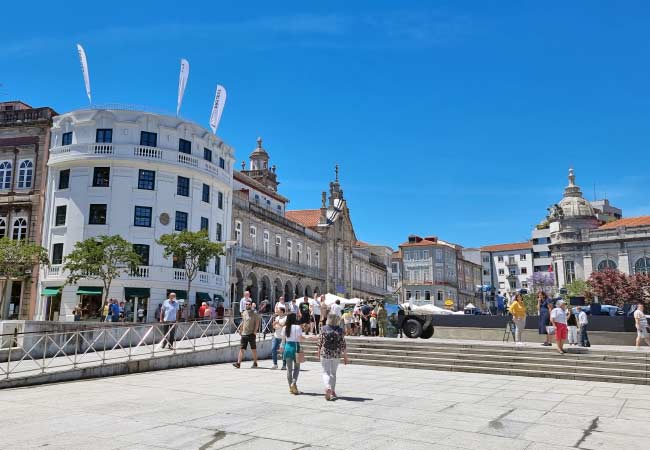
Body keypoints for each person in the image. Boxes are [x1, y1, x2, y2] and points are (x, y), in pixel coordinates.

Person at [318, 314, 348, 401]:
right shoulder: (340, 330)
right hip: (336, 353)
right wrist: (345, 356)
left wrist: (318, 351)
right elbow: (343, 344)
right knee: (333, 373)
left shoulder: (323, 328)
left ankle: (327, 387)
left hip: (325, 353)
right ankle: (333, 391)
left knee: (325, 372)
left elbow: (320, 341)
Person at [233, 300, 260, 368]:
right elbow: (243, 322)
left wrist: (255, 331)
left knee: (253, 349)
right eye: (246, 304)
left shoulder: (254, 313)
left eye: (248, 304)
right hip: (244, 334)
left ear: (251, 305)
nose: (247, 305)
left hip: (251, 333)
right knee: (242, 348)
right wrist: (240, 329)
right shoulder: (244, 313)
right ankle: (238, 363)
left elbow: (257, 323)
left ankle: (255, 362)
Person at [283, 313, 304, 394]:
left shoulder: (285, 328)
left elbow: (283, 339)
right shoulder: (298, 327)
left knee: (289, 369)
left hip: (287, 347)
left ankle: (291, 388)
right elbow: (300, 338)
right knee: (297, 368)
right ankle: (293, 383)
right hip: (295, 347)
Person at [271, 305, 287, 370]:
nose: (277, 311)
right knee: (273, 349)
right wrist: (274, 325)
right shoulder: (277, 317)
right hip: (276, 335)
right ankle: (275, 364)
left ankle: (284, 365)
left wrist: (278, 323)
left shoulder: (286, 318)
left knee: (283, 351)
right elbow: (273, 325)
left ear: (282, 312)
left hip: (282, 337)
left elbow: (284, 325)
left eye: (279, 310)